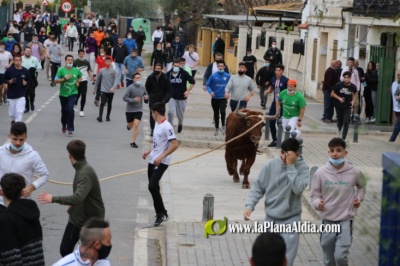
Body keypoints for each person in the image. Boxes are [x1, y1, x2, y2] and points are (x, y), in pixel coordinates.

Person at [244, 138, 309, 266]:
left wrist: (291, 166)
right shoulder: (271, 165)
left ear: (297, 154)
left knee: (286, 259)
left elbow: (298, 189)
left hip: (291, 219)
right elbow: (258, 187)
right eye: (282, 153)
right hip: (271, 218)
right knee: (266, 256)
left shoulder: (303, 168)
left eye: (288, 154)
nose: (284, 157)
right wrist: (249, 205)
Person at [38, 139, 106, 257]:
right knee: (65, 249)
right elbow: (81, 195)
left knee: (91, 254)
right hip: (77, 217)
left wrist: (53, 198)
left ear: (69, 154)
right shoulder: (81, 168)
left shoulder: (85, 172)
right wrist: (74, 204)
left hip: (91, 220)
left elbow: (78, 197)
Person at [311, 138, 366, 266]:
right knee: (329, 259)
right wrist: (317, 203)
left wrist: (359, 197)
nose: (335, 154)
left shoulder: (355, 171)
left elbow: (362, 187)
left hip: (346, 218)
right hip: (328, 219)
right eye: (331, 151)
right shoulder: (320, 173)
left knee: (340, 257)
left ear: (345, 153)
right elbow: (314, 195)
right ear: (328, 152)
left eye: (338, 150)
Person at [142, 102, 179, 226]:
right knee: (154, 188)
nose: (151, 115)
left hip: (161, 162)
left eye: (151, 112)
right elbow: (157, 142)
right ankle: (163, 212)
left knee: (152, 186)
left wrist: (162, 156)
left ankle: (160, 214)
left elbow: (175, 144)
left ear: (155, 112)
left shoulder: (167, 126)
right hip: (152, 160)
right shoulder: (157, 125)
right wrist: (149, 151)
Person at [0, 173, 45, 265]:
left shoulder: (6, 220)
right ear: (22, 192)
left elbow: (12, 258)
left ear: (2, 192)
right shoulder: (31, 211)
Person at [0, 122, 49, 206]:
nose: (18, 143)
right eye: (15, 139)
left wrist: (32, 187)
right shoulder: (1, 152)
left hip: (21, 201)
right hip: (1, 201)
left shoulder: (33, 155)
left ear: (26, 138)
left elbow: (45, 175)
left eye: (21, 139)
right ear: (9, 136)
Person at [54, 54, 82, 136]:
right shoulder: (61, 70)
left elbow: (80, 77)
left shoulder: (76, 70)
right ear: (65, 61)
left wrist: (78, 82)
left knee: (70, 109)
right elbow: (55, 80)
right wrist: (65, 79)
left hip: (73, 93)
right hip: (63, 94)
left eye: (71, 60)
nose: (70, 61)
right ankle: (64, 124)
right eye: (68, 60)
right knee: (64, 111)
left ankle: (70, 128)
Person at [166, 59, 195, 133]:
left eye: (177, 66)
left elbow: (192, 81)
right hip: (172, 96)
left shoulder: (183, 73)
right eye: (175, 66)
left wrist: (188, 91)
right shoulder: (168, 74)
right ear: (172, 66)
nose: (176, 67)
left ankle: (180, 123)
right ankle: (170, 127)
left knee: (180, 114)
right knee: (170, 112)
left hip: (182, 97)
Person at [264, 64, 289, 147]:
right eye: (276, 70)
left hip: (283, 104)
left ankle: (283, 141)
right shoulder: (273, 79)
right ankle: (274, 139)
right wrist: (268, 91)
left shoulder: (285, 80)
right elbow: (271, 87)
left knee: (281, 122)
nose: (277, 72)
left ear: (282, 71)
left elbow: (289, 91)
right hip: (274, 103)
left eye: (279, 70)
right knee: (271, 121)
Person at [145, 63, 172, 136]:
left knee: (161, 115)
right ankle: (152, 129)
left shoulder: (165, 78)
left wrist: (165, 100)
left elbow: (169, 90)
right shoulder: (150, 77)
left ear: (161, 69)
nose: (157, 70)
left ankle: (161, 129)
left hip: (162, 100)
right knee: (152, 114)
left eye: (158, 68)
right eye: (156, 68)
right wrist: (149, 96)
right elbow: (147, 88)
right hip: (153, 99)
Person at [123, 72, 148, 148]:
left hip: (138, 109)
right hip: (130, 110)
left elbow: (145, 93)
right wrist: (134, 100)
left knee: (136, 125)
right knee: (130, 126)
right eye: (137, 78)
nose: (138, 79)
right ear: (133, 79)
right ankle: (128, 126)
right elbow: (124, 98)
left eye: (139, 78)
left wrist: (146, 98)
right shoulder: (130, 88)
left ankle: (132, 142)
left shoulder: (143, 86)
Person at [206, 60, 230, 136]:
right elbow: (208, 85)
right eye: (219, 66)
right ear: (217, 67)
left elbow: (231, 86)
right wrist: (210, 92)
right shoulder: (213, 76)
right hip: (215, 98)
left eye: (222, 66)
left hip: (223, 98)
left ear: (224, 67)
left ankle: (223, 126)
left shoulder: (228, 76)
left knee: (222, 112)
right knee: (216, 114)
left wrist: (228, 93)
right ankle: (216, 127)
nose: (220, 68)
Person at [331, 71, 357, 141]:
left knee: (346, 121)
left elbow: (355, 93)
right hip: (338, 106)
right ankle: (339, 129)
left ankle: (343, 138)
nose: (346, 79)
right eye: (344, 77)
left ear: (350, 78)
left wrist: (353, 101)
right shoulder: (339, 85)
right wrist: (339, 98)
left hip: (347, 106)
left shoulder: (353, 86)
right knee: (340, 121)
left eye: (347, 78)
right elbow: (332, 93)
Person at [3, 55, 30, 123]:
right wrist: (8, 81)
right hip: (11, 95)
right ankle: (14, 121)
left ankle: (17, 127)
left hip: (21, 95)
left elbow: (30, 80)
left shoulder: (25, 71)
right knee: (12, 114)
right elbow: (3, 78)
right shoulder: (9, 70)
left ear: (21, 61)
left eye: (19, 60)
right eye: (16, 60)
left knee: (19, 111)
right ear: (14, 62)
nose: (18, 62)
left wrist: (26, 83)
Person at [95, 56, 119, 122]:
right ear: (104, 62)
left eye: (109, 61)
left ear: (111, 62)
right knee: (102, 103)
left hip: (111, 90)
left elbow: (116, 80)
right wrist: (95, 89)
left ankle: (108, 116)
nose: (108, 63)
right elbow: (98, 80)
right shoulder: (101, 70)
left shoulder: (113, 71)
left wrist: (113, 87)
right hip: (103, 90)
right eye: (106, 61)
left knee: (109, 103)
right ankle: (100, 116)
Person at [22, 47, 42, 113]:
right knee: (25, 94)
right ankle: (27, 107)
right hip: (23, 78)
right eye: (27, 51)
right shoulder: (21, 59)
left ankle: (32, 102)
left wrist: (34, 70)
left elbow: (39, 67)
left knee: (31, 93)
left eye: (29, 51)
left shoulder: (34, 59)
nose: (28, 52)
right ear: (24, 51)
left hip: (32, 78)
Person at [73, 49, 93, 117]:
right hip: (77, 80)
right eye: (80, 54)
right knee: (77, 95)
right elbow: (72, 71)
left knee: (83, 95)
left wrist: (91, 76)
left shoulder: (87, 62)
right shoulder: (75, 62)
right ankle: (75, 105)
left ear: (84, 54)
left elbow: (89, 70)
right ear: (78, 54)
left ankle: (82, 110)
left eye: (82, 54)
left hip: (84, 80)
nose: (81, 55)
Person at [340, 57, 360, 123]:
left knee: (356, 104)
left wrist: (358, 88)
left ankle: (354, 117)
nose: (351, 64)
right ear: (348, 62)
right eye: (350, 62)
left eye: (352, 62)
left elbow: (357, 81)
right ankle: (346, 117)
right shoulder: (344, 69)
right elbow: (341, 79)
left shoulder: (356, 71)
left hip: (354, 89)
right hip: (346, 88)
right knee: (347, 103)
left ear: (354, 63)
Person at [389, 70, 400, 142]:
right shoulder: (395, 84)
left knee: (397, 125)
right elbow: (395, 95)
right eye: (398, 74)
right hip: (396, 107)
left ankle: (392, 140)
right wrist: (397, 98)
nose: (399, 76)